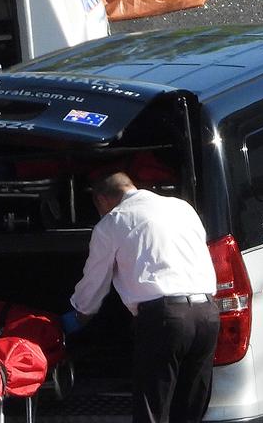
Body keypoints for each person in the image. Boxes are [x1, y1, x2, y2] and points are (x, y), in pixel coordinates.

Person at [61, 171, 220, 423]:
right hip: (208, 315)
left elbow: (95, 280)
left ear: (101, 200)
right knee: (190, 411)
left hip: (165, 319)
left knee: (152, 411)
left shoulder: (112, 222)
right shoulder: (182, 207)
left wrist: (79, 314)